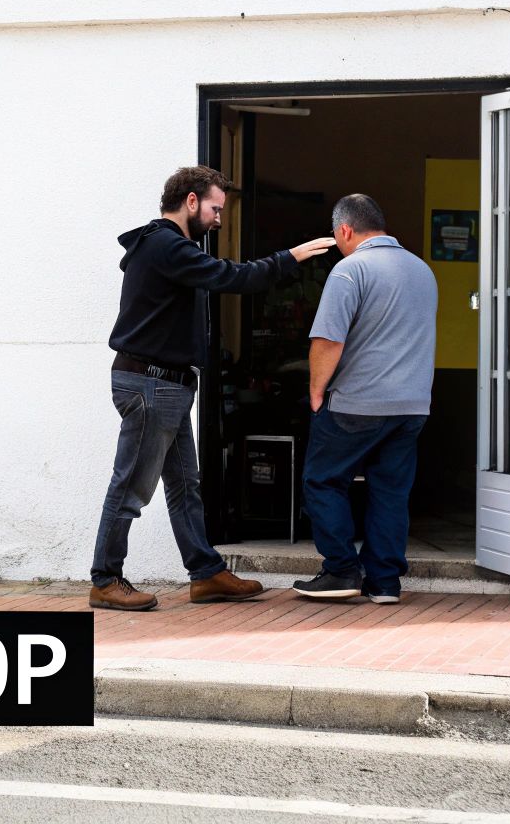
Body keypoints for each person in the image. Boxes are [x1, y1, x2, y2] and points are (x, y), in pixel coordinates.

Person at [90, 165, 336, 611]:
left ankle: (206, 574)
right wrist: (291, 257)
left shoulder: (166, 247)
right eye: (215, 208)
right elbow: (231, 277)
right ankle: (105, 579)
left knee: (186, 487)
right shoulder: (166, 245)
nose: (220, 217)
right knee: (131, 487)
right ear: (190, 201)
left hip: (166, 386)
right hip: (151, 385)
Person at [292, 194, 437, 605]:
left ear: (345, 230)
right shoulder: (422, 270)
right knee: (390, 491)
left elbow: (328, 339)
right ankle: (384, 583)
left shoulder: (349, 270)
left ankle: (340, 570)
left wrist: (316, 392)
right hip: (411, 405)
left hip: (357, 403)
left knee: (322, 480)